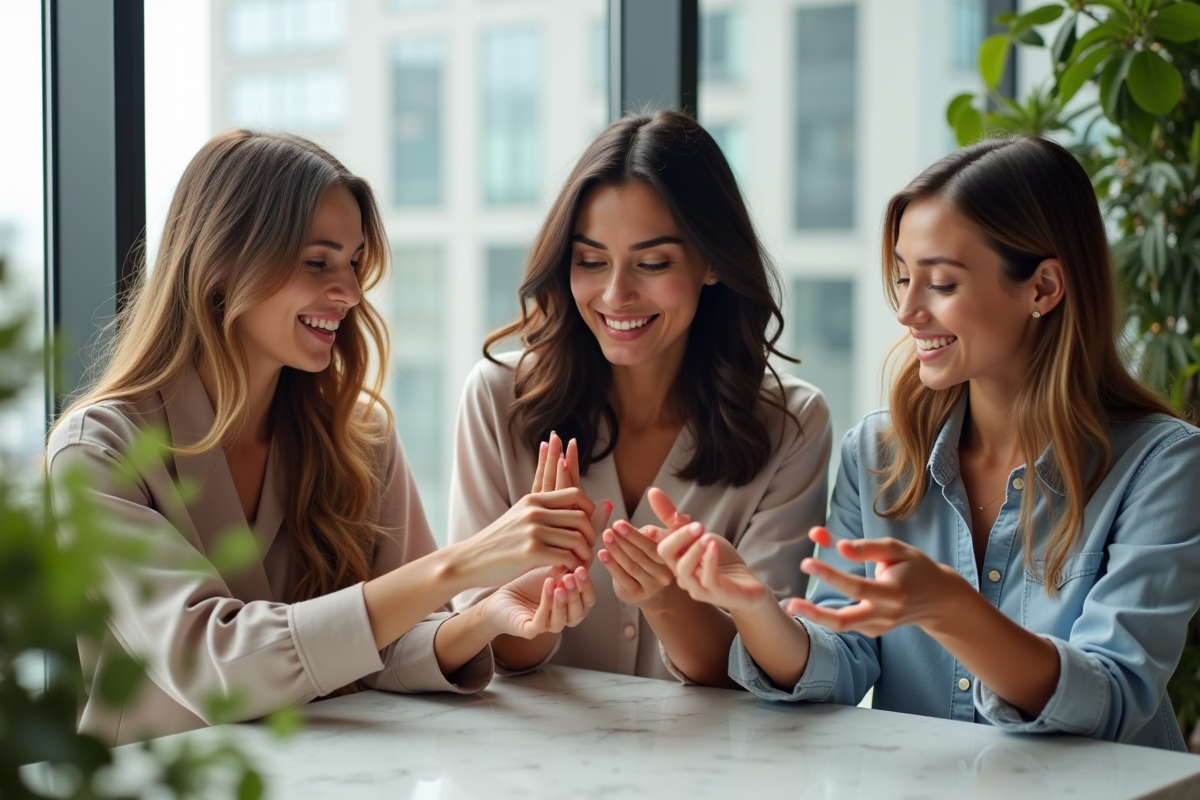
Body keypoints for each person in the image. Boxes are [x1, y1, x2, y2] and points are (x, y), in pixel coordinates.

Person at [46, 130, 599, 745]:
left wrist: (485, 617)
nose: (351, 292)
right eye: (318, 262)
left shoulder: (359, 436)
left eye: (354, 262)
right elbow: (214, 667)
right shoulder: (97, 453)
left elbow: (380, 644)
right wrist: (462, 563)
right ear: (222, 265)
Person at [653, 135, 1200, 749]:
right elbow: (842, 664)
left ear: (1042, 289)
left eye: (941, 284)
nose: (908, 310)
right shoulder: (878, 454)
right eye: (904, 278)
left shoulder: (1163, 465)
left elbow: (1112, 698)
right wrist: (752, 607)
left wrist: (949, 608)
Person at [449, 110, 832, 687]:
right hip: (527, 763)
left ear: (711, 264)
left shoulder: (792, 424)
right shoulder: (498, 398)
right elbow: (483, 646)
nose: (616, 294)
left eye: (653, 263)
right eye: (590, 261)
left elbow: (757, 670)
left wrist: (666, 599)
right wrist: (544, 589)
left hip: (715, 766)